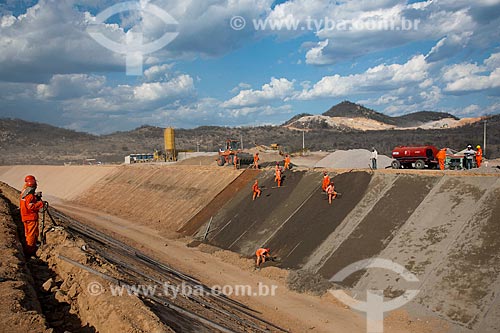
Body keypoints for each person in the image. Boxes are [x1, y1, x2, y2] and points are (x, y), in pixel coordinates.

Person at [20, 175, 45, 257]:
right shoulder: (29, 196)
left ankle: (31, 245)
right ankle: (30, 251)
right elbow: (31, 206)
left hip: (25, 216)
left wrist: (35, 197)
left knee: (28, 233)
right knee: (31, 234)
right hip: (30, 217)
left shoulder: (24, 193)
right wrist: (40, 203)